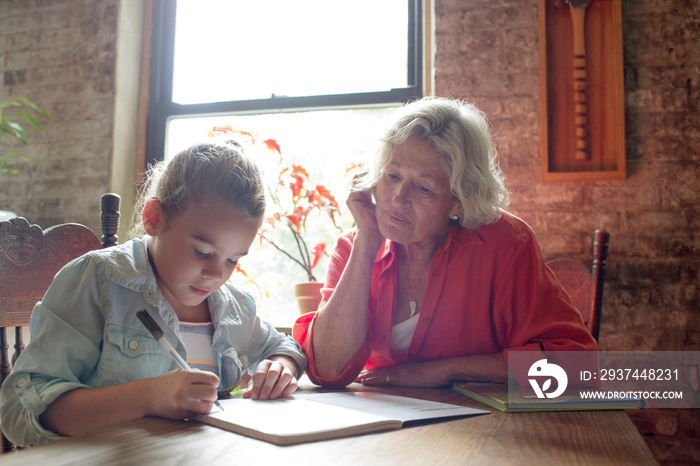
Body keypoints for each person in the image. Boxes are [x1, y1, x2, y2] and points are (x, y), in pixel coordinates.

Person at [0, 142, 307, 446]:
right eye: (202, 251)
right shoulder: (97, 280)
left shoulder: (233, 306)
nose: (216, 274)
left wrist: (282, 365)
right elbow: (19, 412)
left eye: (232, 260)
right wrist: (147, 398)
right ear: (154, 218)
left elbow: (282, 346)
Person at [293, 96, 597, 389]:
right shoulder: (355, 245)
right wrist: (367, 241)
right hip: (386, 427)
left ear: (459, 202)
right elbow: (329, 369)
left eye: (424, 188)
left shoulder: (506, 244)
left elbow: (577, 364)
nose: (399, 199)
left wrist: (446, 370)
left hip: (481, 430)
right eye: (392, 175)